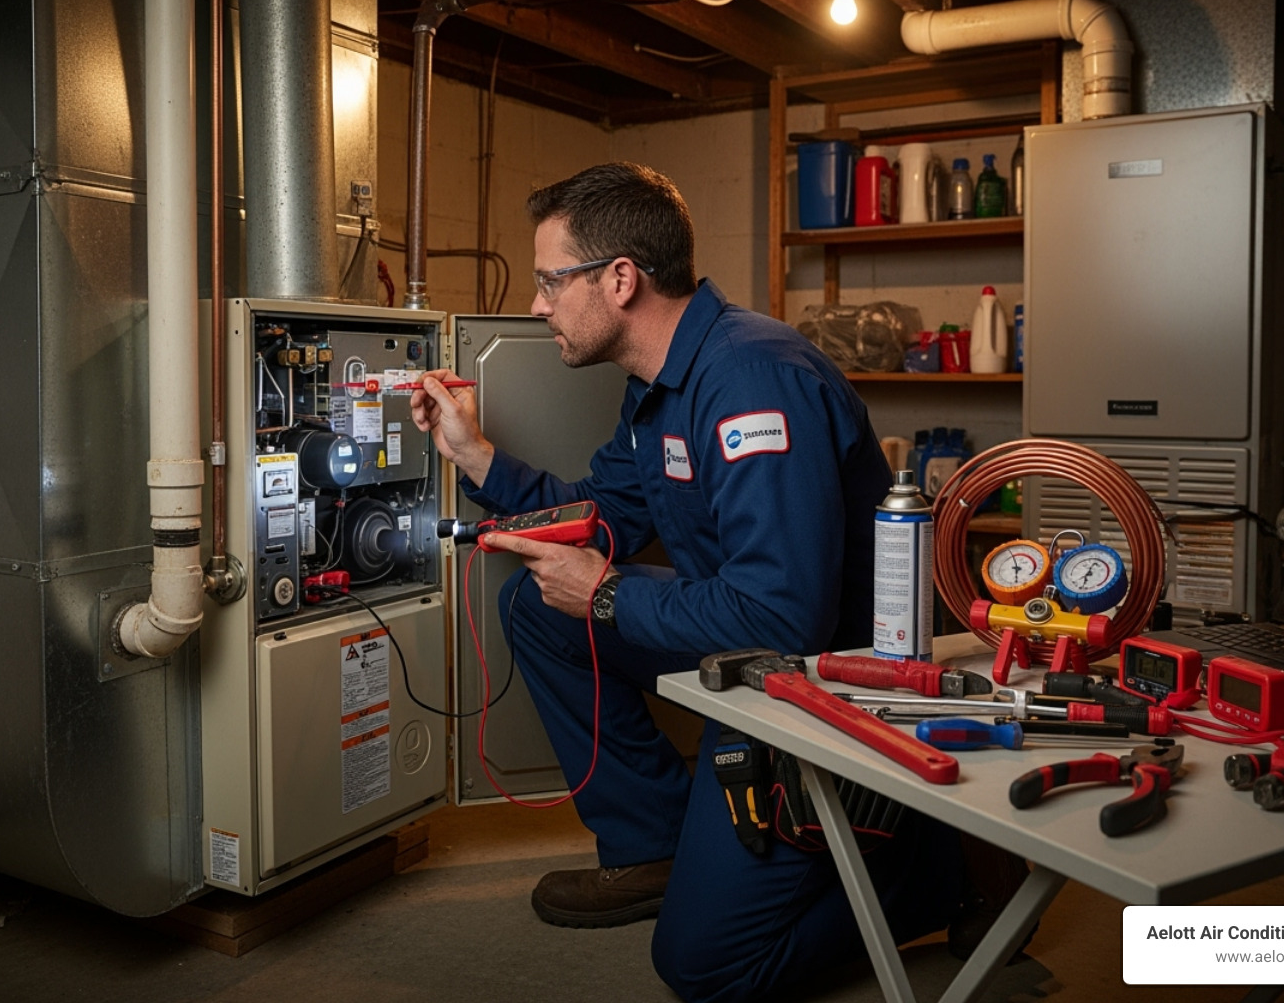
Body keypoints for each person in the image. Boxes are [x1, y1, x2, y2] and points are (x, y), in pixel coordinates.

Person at [412, 162, 965, 1002]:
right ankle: (655, 846)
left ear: (619, 280)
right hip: (743, 649)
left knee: (704, 966)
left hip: (821, 684)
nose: (537, 305)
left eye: (550, 282)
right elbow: (600, 516)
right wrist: (475, 456)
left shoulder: (751, 382)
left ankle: (940, 875)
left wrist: (607, 594)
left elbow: (783, 617)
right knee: (535, 605)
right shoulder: (658, 387)